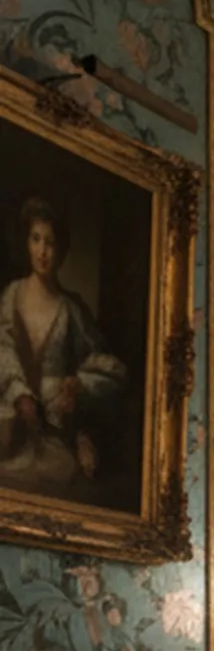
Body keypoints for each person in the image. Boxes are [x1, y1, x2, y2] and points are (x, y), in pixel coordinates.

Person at [0, 196, 129, 492]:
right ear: (26, 242)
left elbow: (112, 369)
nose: (42, 251)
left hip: (55, 429)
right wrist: (20, 394)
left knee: (57, 478)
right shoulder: (12, 295)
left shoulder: (71, 309)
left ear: (62, 251)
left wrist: (77, 385)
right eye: (36, 240)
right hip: (11, 420)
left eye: (50, 243)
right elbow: (2, 347)